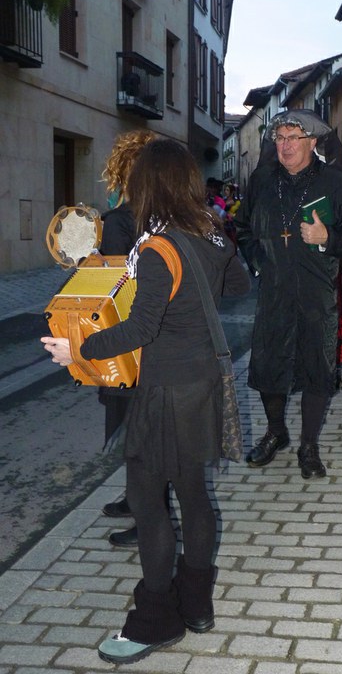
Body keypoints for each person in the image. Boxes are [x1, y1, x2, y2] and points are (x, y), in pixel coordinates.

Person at [41, 139, 251, 665]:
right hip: (204, 383)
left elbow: (140, 328)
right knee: (194, 495)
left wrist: (78, 349)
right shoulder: (211, 233)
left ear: (148, 186)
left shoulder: (158, 247)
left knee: (146, 500)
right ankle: (197, 605)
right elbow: (238, 285)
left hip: (166, 392)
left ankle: (156, 619)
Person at [234, 109, 342, 479]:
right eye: (279, 138)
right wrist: (259, 262)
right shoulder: (262, 180)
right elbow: (242, 227)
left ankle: (309, 446)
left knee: (317, 367)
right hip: (274, 290)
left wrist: (329, 238)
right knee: (269, 364)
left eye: (293, 138)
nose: (285, 146)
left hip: (317, 290)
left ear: (311, 142)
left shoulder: (336, 183)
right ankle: (276, 432)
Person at [99, 128, 157, 548]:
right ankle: (135, 498)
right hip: (163, 337)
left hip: (129, 338)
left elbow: (112, 287)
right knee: (147, 429)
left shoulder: (119, 220)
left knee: (137, 432)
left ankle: (147, 516)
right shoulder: (171, 217)